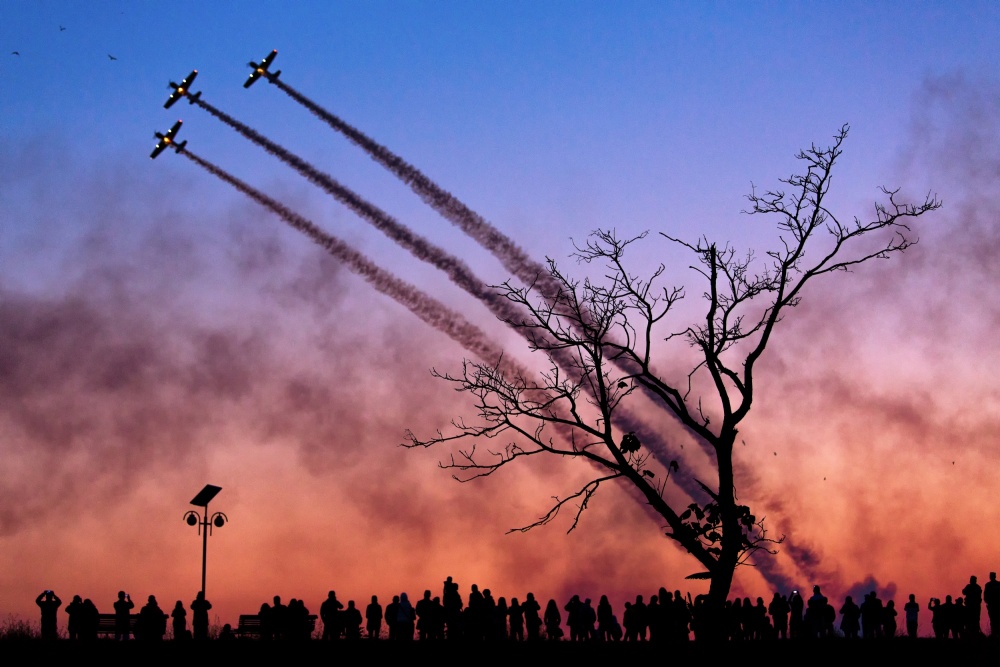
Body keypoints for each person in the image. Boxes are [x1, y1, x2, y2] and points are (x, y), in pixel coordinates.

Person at [985, 572, 1000, 638]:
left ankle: (994, 634)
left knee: (993, 620)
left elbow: (985, 596)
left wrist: (988, 602)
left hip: (993, 606)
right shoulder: (998, 584)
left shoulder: (988, 585)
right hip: (996, 605)